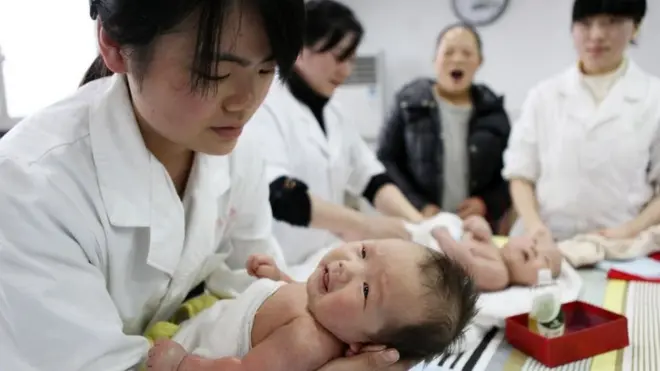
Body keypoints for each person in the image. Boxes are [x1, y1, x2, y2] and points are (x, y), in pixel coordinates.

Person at [0, 1, 410, 370]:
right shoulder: (30, 186)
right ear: (114, 44)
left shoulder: (236, 151)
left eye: (267, 69)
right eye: (213, 71)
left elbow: (253, 281)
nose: (245, 102)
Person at [241, 0, 424, 268]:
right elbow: (281, 192)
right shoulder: (266, 105)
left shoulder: (336, 114)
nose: (346, 71)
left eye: (351, 59)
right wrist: (366, 226)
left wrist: (422, 226)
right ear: (300, 49)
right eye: (338, 56)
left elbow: (371, 178)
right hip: (274, 264)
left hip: (321, 260)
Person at [145, 239, 478, 371]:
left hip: (184, 348)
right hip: (203, 315)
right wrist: (280, 280)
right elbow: (294, 304)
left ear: (365, 344)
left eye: (365, 290)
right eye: (363, 252)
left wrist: (184, 364)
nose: (347, 266)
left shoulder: (306, 342)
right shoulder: (325, 309)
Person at [503, 0, 660, 243]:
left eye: (612, 23)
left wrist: (630, 230)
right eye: (585, 24)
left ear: (635, 27)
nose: (596, 35)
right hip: (543, 243)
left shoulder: (653, 97)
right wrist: (535, 226)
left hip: (622, 245)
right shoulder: (544, 95)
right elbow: (521, 173)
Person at [377, 23, 511, 231]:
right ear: (435, 60)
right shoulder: (408, 103)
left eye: (467, 53)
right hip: (418, 223)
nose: (457, 59)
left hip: (475, 228)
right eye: (448, 52)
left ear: (479, 62)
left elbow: (511, 172)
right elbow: (386, 160)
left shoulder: (493, 111)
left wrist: (486, 204)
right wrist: (419, 205)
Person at [418, 215, 562, 291]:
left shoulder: (500, 276)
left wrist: (443, 236)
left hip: (431, 247)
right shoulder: (493, 247)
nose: (535, 249)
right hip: (434, 231)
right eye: (535, 242)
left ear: (537, 282)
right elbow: (469, 226)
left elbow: (467, 264)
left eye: (545, 260)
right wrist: (479, 224)